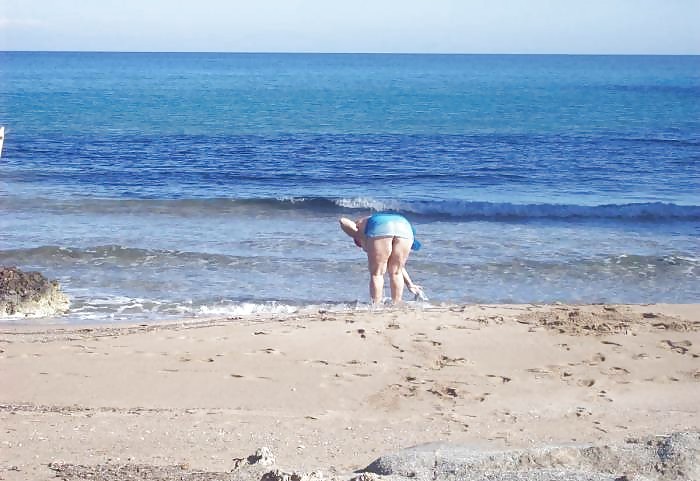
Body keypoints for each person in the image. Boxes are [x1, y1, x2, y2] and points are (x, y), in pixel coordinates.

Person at [339, 212, 425, 305]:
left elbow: (342, 221)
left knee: (377, 273)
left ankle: (376, 305)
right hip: (404, 226)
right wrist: (410, 284)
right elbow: (399, 268)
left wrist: (361, 235)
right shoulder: (368, 221)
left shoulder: (361, 227)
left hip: (379, 226)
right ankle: (396, 304)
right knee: (396, 271)